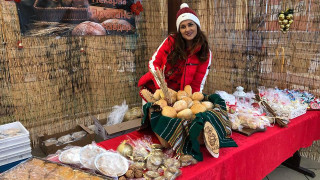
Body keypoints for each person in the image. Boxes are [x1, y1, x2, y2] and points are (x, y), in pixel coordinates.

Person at [138, 3, 212, 99]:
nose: (187, 29)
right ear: (179, 30)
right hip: (154, 90)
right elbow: (153, 63)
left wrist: (191, 100)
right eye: (183, 27)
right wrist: (162, 87)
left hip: (178, 97)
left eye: (190, 25)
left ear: (197, 26)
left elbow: (198, 82)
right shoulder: (171, 41)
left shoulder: (204, 52)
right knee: (152, 113)